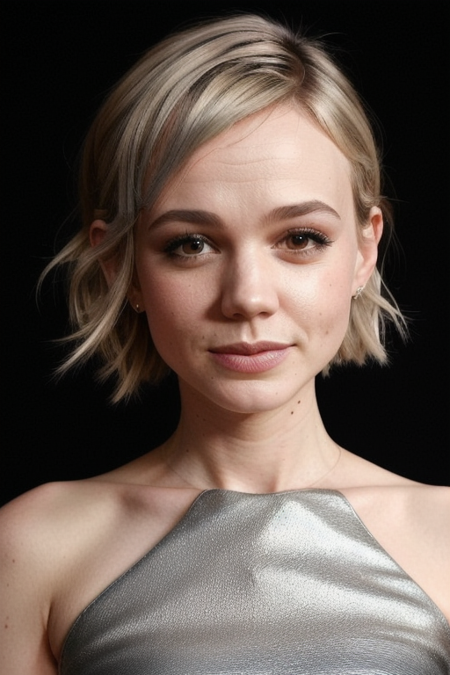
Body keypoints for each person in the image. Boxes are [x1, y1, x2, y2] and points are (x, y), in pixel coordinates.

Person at [1, 13, 449, 674]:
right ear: (118, 266)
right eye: (191, 244)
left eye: (300, 238)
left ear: (363, 249)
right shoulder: (31, 547)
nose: (247, 295)